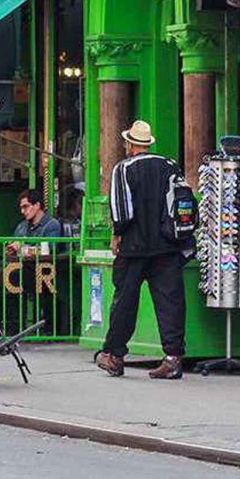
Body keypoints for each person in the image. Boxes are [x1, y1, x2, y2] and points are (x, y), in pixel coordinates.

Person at [98, 121, 189, 380]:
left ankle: (114, 355)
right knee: (170, 302)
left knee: (125, 302)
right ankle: (173, 358)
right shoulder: (170, 165)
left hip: (133, 247)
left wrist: (116, 236)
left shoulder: (124, 168)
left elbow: (122, 213)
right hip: (167, 246)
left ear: (130, 144)